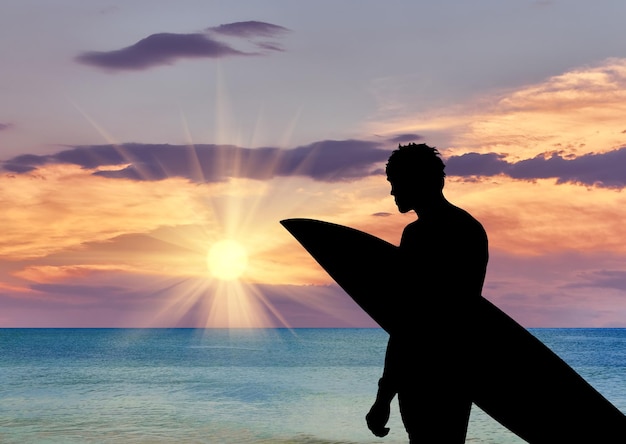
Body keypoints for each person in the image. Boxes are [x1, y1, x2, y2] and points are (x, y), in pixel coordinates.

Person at [365, 143, 489, 442]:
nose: (393, 193)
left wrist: (384, 398)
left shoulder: (421, 235)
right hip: (458, 372)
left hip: (425, 374)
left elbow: (409, 319)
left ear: (419, 181)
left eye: (396, 183)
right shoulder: (470, 228)